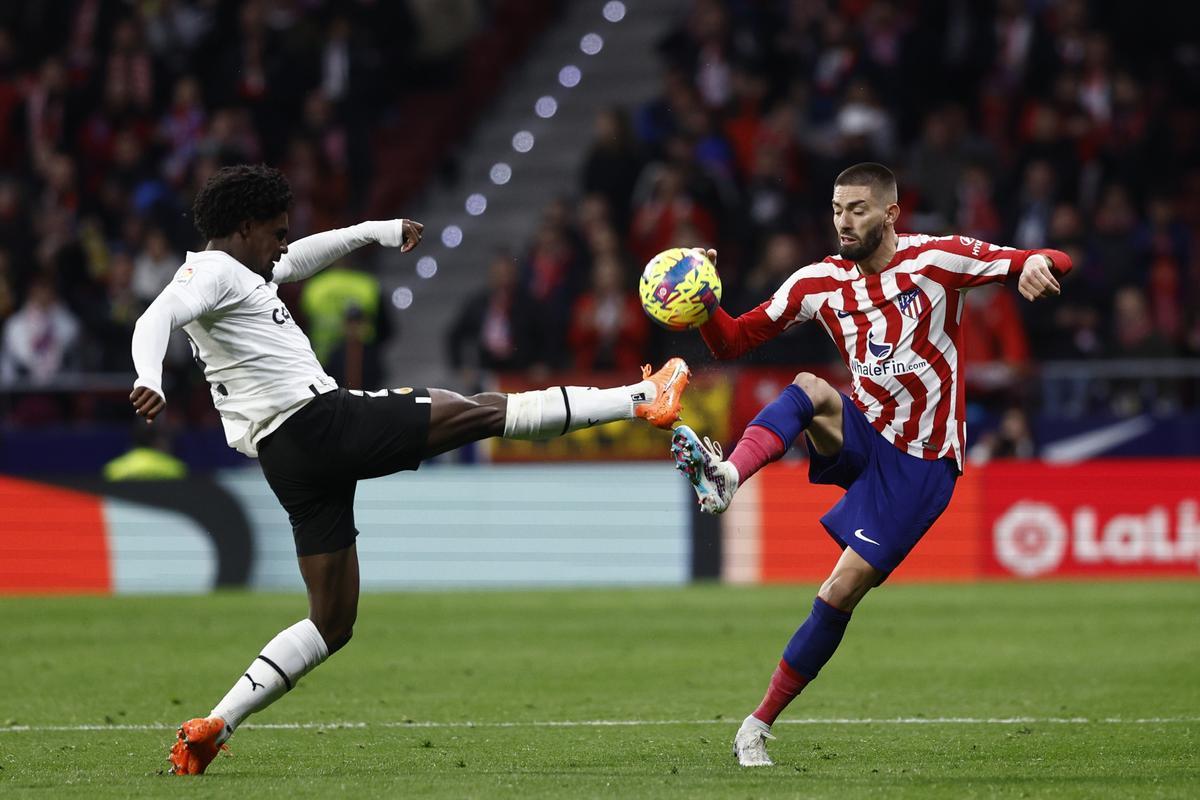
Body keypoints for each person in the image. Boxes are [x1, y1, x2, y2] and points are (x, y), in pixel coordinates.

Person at [129, 164, 691, 775]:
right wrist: (147, 378)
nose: (283, 244)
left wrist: (377, 229)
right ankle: (640, 400)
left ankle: (214, 724)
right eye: (276, 232)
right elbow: (153, 319)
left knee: (332, 620)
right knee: (481, 411)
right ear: (244, 227)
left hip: (286, 458)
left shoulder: (244, 270)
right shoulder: (209, 272)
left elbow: (304, 256)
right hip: (320, 422)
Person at [668, 163, 1070, 767]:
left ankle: (756, 724)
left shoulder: (938, 260)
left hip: (923, 462)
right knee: (809, 387)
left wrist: (1040, 264)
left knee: (840, 589)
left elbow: (1045, 258)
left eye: (857, 209)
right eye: (836, 209)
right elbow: (733, 343)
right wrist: (703, 302)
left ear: (889, 214)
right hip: (863, 429)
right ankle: (728, 477)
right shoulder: (817, 283)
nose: (843, 221)